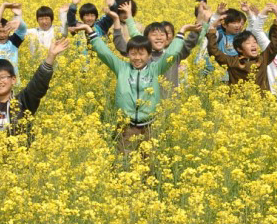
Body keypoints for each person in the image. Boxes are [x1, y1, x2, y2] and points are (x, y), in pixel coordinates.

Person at [73, 20, 195, 153]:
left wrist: (182, 31)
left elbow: (171, 54)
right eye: (133, 54)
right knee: (123, 163)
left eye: (141, 54)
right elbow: (104, 53)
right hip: (126, 127)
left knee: (148, 165)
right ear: (128, 54)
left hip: (150, 127)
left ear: (149, 55)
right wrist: (89, 30)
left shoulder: (155, 69)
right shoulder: (121, 68)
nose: (137, 58)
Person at [0, 31, 69, 137]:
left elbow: (37, 85)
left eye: (3, 77)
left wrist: (51, 57)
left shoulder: (23, 102)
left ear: (13, 79)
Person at [112, 2, 203, 90]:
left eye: (162, 35)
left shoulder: (173, 56)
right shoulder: (141, 56)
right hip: (147, 103)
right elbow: (125, 41)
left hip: (170, 103)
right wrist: (125, 17)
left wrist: (200, 20)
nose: (159, 38)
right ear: (146, 38)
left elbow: (189, 43)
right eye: (154, 35)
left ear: (167, 38)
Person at [206, 5, 277, 92]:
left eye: (254, 42)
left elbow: (276, 44)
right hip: (237, 103)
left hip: (260, 102)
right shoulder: (232, 62)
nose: (253, 45)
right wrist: (212, 27)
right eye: (248, 43)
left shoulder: (263, 59)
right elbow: (213, 51)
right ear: (239, 49)